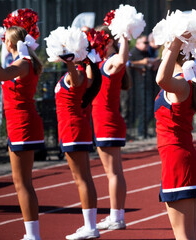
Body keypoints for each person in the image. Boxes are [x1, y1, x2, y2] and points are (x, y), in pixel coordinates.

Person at [0, 26, 45, 240]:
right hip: (19, 123)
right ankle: (31, 233)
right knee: (22, 182)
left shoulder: (22, 63)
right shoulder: (25, 62)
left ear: (10, 43)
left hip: (22, 124)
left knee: (22, 183)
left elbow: (0, 74)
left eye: (4, 40)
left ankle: (32, 234)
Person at [155, 37, 196, 240]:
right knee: (192, 233)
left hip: (177, 161)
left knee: (184, 235)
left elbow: (160, 79)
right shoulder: (187, 82)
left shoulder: (179, 84)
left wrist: (175, 42)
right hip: (181, 159)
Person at [56, 58, 102, 239]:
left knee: (82, 179)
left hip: (73, 129)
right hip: (73, 128)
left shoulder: (79, 73)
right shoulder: (84, 73)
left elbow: (75, 82)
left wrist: (69, 62)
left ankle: (90, 226)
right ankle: (89, 225)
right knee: (83, 178)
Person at [92, 25, 129, 230]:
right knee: (112, 172)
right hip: (102, 120)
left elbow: (123, 58)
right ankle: (116, 215)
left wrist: (124, 36)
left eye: (98, 38)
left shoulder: (112, 60)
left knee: (113, 172)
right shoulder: (102, 62)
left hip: (107, 121)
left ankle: (117, 217)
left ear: (107, 41)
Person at [128, 35, 158, 138]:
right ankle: (141, 131)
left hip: (149, 82)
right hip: (139, 84)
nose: (147, 45)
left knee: (150, 108)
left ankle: (144, 130)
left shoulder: (147, 52)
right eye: (145, 43)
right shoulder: (134, 52)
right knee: (145, 107)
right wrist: (142, 62)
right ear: (138, 43)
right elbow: (128, 63)